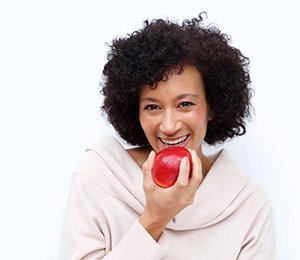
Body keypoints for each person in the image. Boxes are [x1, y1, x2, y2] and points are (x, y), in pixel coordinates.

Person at [60, 13, 277, 259]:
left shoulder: (249, 205)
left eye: (185, 104)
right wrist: (154, 218)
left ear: (212, 106)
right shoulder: (99, 174)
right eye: (153, 107)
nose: (169, 125)